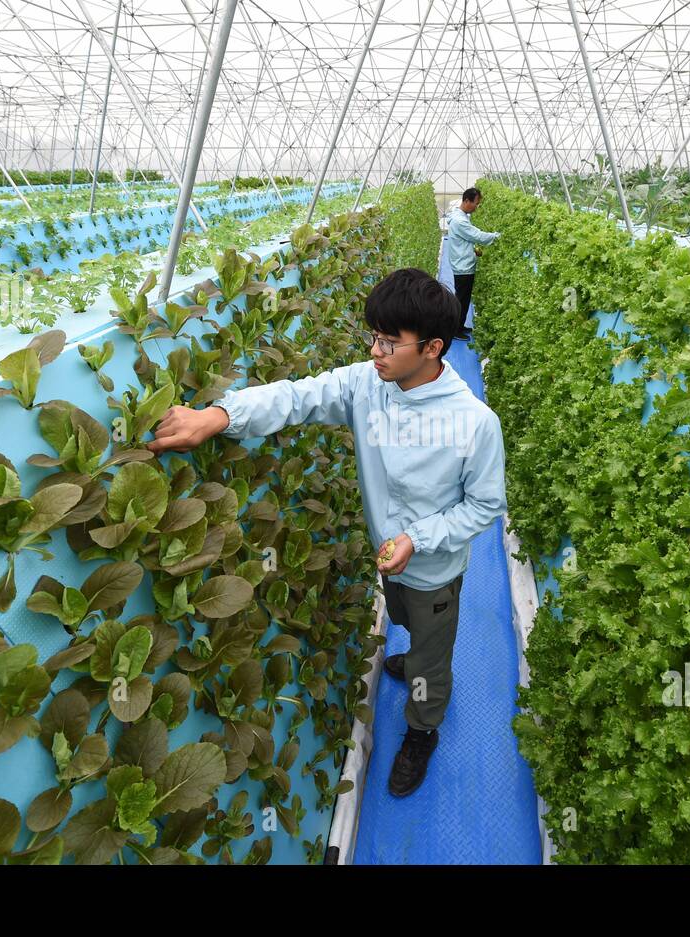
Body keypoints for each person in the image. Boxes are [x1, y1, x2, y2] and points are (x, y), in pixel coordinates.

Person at [147, 268, 508, 798]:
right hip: (389, 559)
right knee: (403, 614)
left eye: (390, 341)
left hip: (433, 569)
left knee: (430, 654)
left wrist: (420, 539)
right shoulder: (368, 385)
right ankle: (412, 655)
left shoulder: (474, 422)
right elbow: (297, 396)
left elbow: (484, 504)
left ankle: (422, 729)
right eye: (374, 336)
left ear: (433, 348)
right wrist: (221, 415)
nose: (376, 350)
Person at [446, 187, 500, 334]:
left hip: (461, 261)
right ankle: (456, 330)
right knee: (462, 300)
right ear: (467, 201)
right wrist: (497, 236)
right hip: (463, 266)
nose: (477, 207)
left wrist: (473, 250)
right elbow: (478, 236)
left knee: (462, 298)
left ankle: (459, 326)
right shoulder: (460, 221)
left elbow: (463, 240)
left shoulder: (460, 217)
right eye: (476, 203)